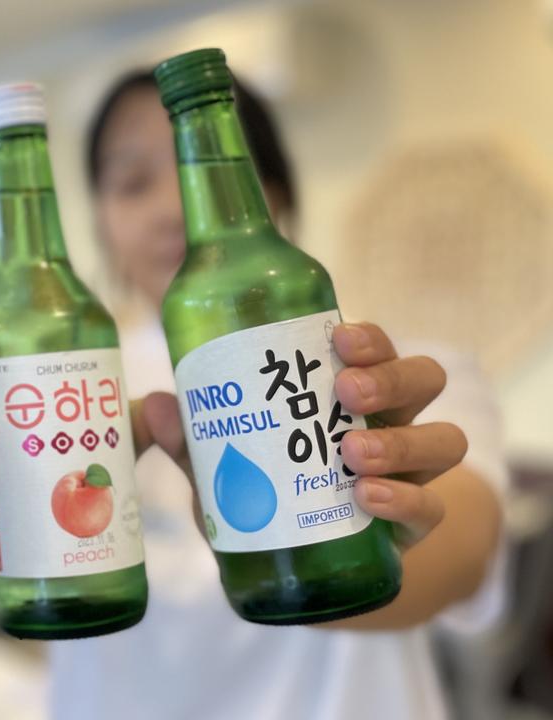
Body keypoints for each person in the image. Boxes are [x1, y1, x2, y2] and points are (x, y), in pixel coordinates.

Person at [35, 70, 503, 718]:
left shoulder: (380, 369)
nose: (175, 206)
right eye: (133, 181)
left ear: (271, 191)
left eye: (200, 169)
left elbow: (465, 552)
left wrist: (381, 526)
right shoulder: (62, 396)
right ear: (102, 223)